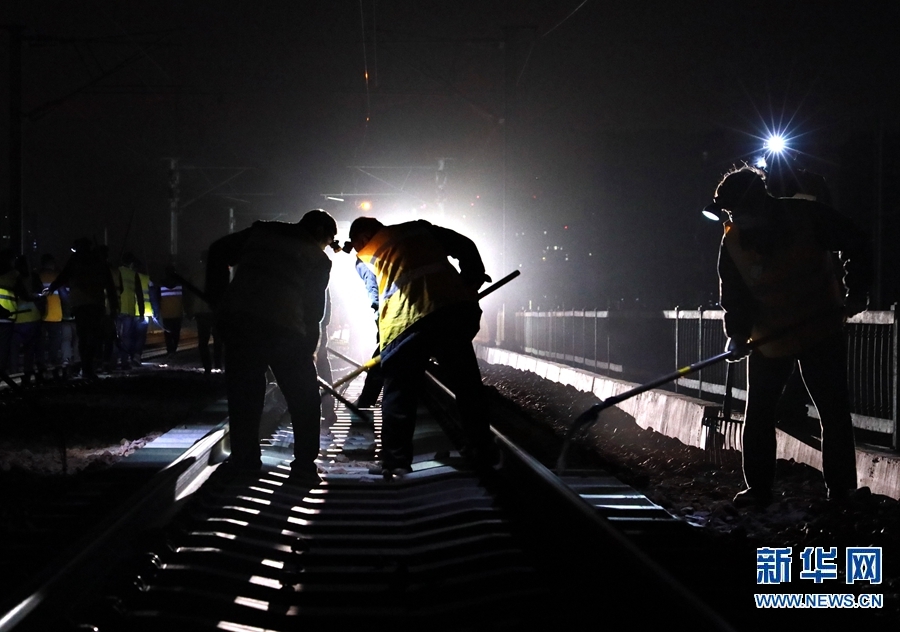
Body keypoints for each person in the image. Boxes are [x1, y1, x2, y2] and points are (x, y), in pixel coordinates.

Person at [708, 165, 872, 506]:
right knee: (759, 413)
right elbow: (735, 295)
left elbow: (857, 240)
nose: (734, 219)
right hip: (769, 338)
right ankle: (758, 490)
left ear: (758, 204)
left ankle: (842, 490)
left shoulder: (807, 216)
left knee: (833, 411)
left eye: (737, 212)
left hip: (820, 329)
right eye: (730, 214)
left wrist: (857, 291)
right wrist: (737, 334)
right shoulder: (733, 241)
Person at [348, 216, 496, 477]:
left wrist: (383, 338)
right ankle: (483, 453)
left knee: (399, 393)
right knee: (468, 387)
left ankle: (396, 462)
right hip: (451, 313)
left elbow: (376, 299)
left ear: (362, 238)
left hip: (405, 322)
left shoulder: (365, 256)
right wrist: (470, 282)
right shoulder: (419, 229)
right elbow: (466, 246)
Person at [206, 209, 337, 484]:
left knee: (245, 396)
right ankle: (304, 467)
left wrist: (217, 302)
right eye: (327, 242)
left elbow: (217, 250)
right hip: (285, 329)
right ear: (320, 233)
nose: (326, 248)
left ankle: (245, 461)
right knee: (304, 399)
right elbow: (314, 312)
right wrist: (309, 351)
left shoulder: (261, 232)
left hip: (241, 322)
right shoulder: (318, 259)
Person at [45, 238, 119, 381]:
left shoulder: (75, 259)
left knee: (83, 337)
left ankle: (86, 368)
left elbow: (64, 275)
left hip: (80, 305)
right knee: (93, 337)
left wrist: (52, 287)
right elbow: (109, 284)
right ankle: (90, 368)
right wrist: (114, 305)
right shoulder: (98, 260)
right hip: (96, 304)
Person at [184, 250, 221, 374]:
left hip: (200, 312)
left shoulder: (195, 276)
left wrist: (189, 311)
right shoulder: (218, 275)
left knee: (203, 342)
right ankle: (218, 365)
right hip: (215, 312)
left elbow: (189, 296)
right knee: (218, 340)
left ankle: (207, 367)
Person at [159, 265, 185, 356]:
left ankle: (170, 350)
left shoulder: (161, 284)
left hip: (166, 313)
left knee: (167, 333)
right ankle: (173, 349)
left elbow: (158, 298)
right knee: (176, 333)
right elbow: (184, 298)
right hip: (177, 312)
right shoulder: (180, 284)